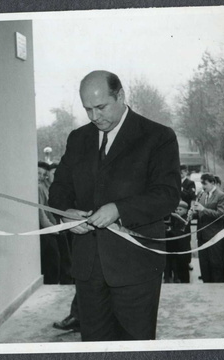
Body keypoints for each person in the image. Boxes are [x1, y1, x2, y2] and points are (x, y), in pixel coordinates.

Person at [49, 70, 180, 341]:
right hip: (87, 269)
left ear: (120, 96)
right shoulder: (78, 138)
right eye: (87, 109)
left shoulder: (157, 136)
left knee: (134, 347)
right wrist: (66, 217)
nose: (95, 117)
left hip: (137, 268)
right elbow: (59, 190)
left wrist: (119, 209)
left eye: (101, 107)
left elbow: (167, 194)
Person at [192, 173, 224, 283]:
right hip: (202, 235)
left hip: (214, 235)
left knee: (215, 265)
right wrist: (193, 213)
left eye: (205, 184)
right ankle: (206, 288)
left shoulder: (221, 196)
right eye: (201, 183)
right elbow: (200, 214)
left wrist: (203, 209)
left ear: (212, 183)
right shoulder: (202, 195)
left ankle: (216, 292)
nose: (203, 186)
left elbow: (221, 214)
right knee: (204, 265)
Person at [38, 161, 61, 284]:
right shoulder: (40, 188)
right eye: (38, 173)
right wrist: (55, 230)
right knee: (53, 261)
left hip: (53, 228)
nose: (40, 177)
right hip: (45, 231)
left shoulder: (50, 189)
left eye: (42, 174)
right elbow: (42, 215)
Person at [164, 201, 192, 283]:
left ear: (186, 211)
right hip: (178, 249)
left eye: (180, 209)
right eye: (176, 210)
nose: (177, 211)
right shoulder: (176, 218)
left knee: (184, 272)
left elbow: (180, 232)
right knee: (179, 270)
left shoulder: (185, 219)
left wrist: (170, 230)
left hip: (184, 249)